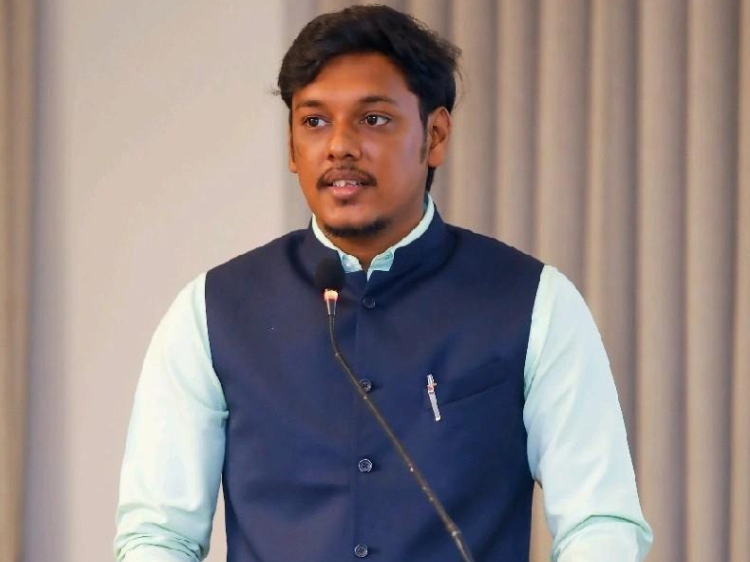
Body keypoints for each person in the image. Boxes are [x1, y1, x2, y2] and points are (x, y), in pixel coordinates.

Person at [114, 5, 653, 562]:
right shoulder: (212, 310)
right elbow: (159, 535)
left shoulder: (535, 302)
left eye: (372, 119)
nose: (339, 146)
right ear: (292, 148)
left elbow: (598, 520)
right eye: (314, 122)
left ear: (435, 135)